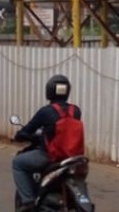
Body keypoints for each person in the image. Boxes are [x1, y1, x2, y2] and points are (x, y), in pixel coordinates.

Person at [11, 74, 83, 211]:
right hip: (72, 158)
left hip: (51, 156)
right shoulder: (76, 111)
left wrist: (20, 135)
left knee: (18, 163)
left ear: (48, 91)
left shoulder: (46, 112)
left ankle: (28, 202)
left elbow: (27, 131)